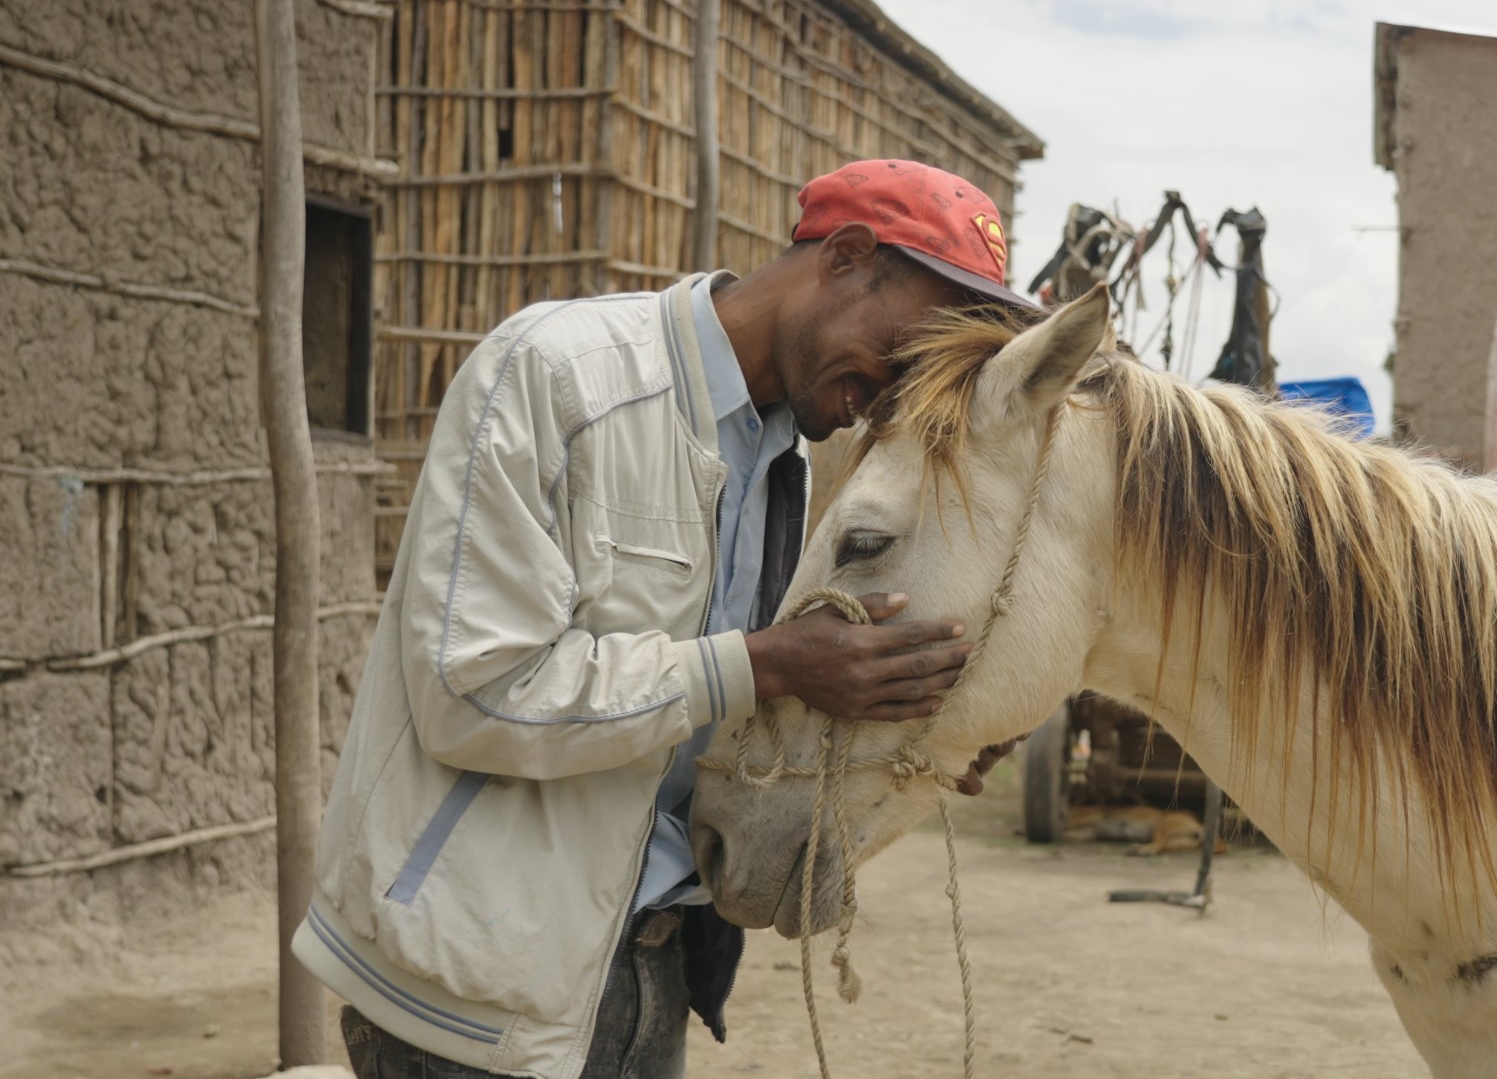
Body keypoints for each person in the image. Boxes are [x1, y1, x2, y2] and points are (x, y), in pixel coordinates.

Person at [296, 160, 1043, 1078]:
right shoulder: (557, 374)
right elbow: (475, 692)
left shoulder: (788, 461)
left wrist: (928, 721)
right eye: (907, 350)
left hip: (652, 972)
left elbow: (721, 713)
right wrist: (769, 662)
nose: (896, 394)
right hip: (471, 1002)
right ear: (847, 257)